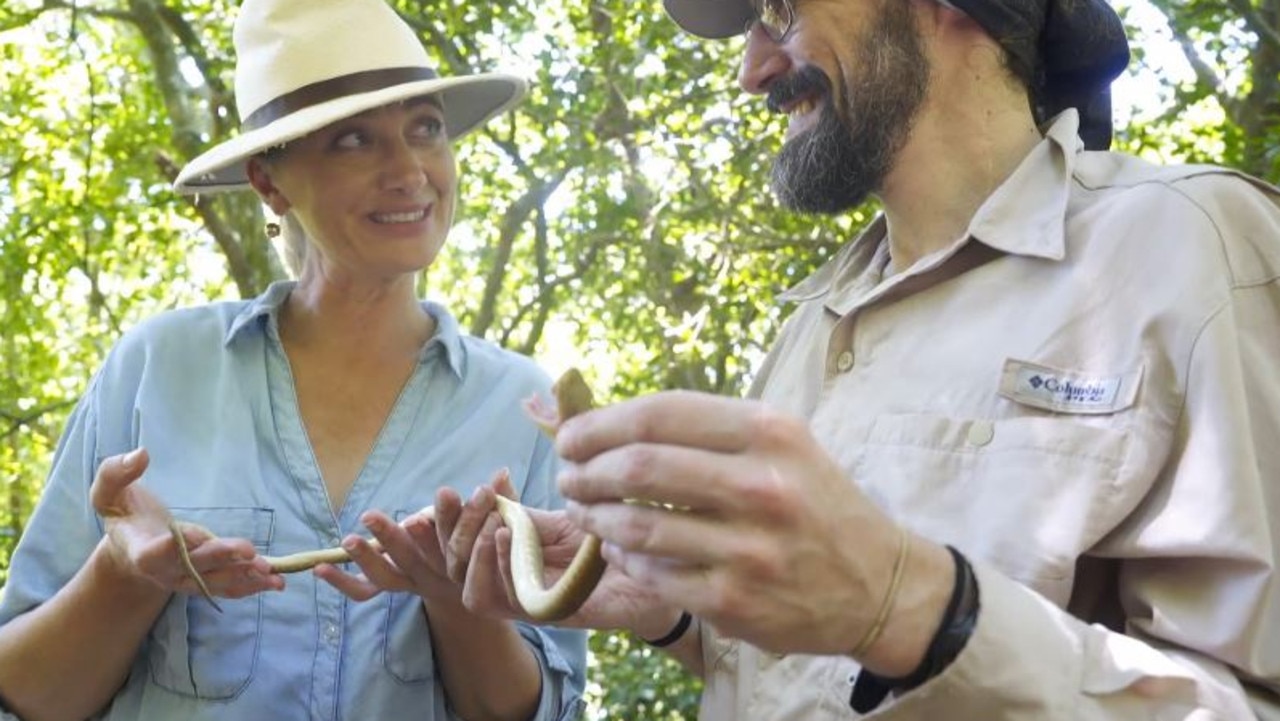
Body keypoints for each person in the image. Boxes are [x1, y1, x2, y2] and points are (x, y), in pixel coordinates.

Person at [442, 0, 1280, 718]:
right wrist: (676, 612)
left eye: (781, 10)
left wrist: (916, 606)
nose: (752, 70)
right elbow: (812, 676)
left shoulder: (1193, 244)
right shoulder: (812, 321)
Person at [0, 0, 586, 719]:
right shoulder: (156, 367)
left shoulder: (522, 406)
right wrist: (124, 573)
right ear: (270, 182)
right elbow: (27, 695)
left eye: (426, 129)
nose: (409, 170)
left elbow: (541, 709)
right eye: (353, 141)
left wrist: (454, 596)